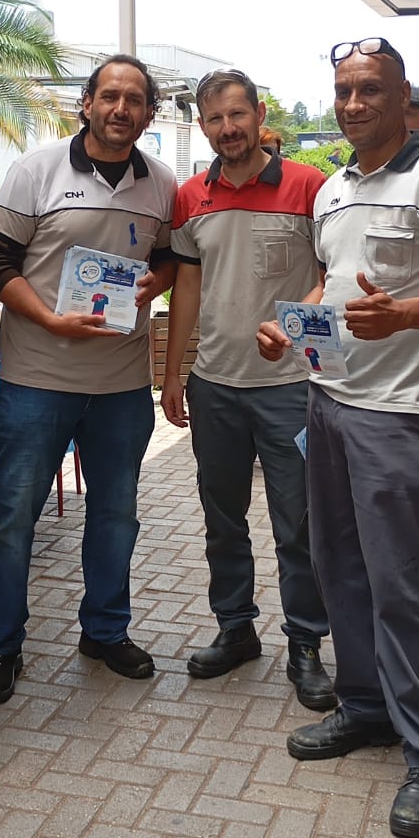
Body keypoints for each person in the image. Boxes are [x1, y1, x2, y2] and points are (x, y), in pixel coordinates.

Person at [258, 37, 419, 838]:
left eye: (370, 89)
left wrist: (405, 315)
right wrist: (293, 322)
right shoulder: (333, 189)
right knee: (340, 570)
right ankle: (366, 706)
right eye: (344, 91)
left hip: (399, 412)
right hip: (326, 399)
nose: (354, 104)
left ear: (403, 98)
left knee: (402, 584)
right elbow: (330, 281)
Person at [0, 55, 177, 701]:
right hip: (38, 377)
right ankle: (1, 646)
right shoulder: (37, 170)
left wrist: (151, 286)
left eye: (135, 100)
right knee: (12, 519)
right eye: (109, 96)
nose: (121, 109)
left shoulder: (161, 182)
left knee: (116, 516)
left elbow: (169, 259)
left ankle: (106, 631)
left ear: (149, 112)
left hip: (121, 384)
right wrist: (48, 320)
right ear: (86, 103)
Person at [161, 70, 334, 706]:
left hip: (292, 387)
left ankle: (306, 643)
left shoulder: (308, 186)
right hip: (215, 387)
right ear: (202, 125)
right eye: (215, 118)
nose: (228, 128)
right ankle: (236, 629)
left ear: (260, 116)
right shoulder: (190, 197)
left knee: (300, 524)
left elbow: (334, 273)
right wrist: (173, 374)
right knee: (222, 520)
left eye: (238, 115)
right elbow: (187, 287)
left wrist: (294, 325)